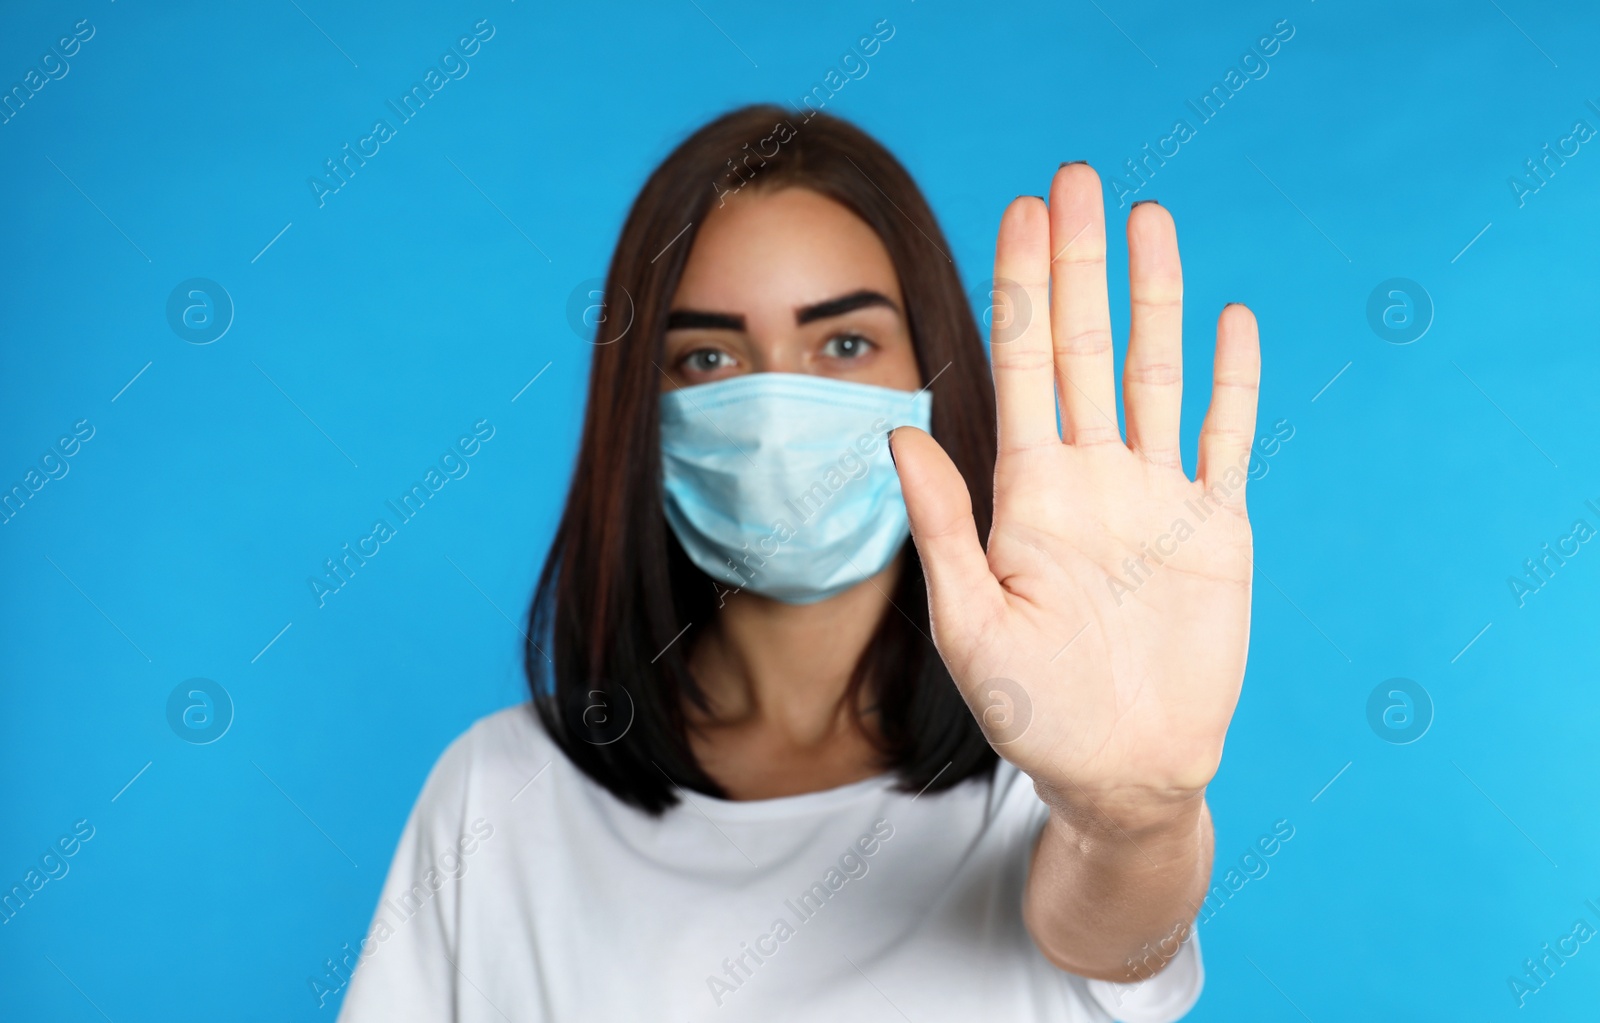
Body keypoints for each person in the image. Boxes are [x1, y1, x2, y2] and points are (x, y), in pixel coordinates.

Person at [337, 103, 1260, 1022]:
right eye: (706, 356)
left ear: (929, 370)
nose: (777, 409)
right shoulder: (499, 791)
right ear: (640, 408)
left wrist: (1135, 818)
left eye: (845, 343)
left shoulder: (1049, 763)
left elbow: (1115, 940)